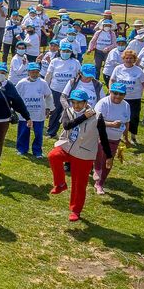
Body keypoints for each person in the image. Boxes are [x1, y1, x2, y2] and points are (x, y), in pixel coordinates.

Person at [48, 89, 112, 222]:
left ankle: (75, 210)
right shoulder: (68, 111)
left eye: (79, 103)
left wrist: (109, 156)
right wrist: (84, 117)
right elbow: (66, 126)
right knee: (53, 156)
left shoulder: (97, 116)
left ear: (86, 103)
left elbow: (103, 136)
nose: (76, 106)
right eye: (74, 102)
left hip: (84, 153)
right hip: (67, 146)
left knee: (79, 184)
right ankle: (60, 184)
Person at [93, 83, 130, 195]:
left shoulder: (126, 105)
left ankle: (99, 184)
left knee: (108, 162)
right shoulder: (103, 103)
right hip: (100, 136)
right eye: (115, 93)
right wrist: (112, 124)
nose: (118, 96)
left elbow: (127, 122)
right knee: (100, 151)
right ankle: (97, 169)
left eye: (121, 94)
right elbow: (95, 121)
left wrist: (126, 138)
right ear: (110, 92)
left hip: (115, 139)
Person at [109, 49, 144, 146]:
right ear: (123, 59)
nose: (128, 60)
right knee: (120, 117)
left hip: (134, 98)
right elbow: (112, 80)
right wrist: (111, 91)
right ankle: (120, 135)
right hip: (120, 98)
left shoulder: (139, 70)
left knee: (133, 117)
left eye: (131, 58)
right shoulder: (118, 68)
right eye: (126, 58)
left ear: (134, 59)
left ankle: (133, 136)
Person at [14, 63, 53, 158]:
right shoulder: (22, 83)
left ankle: (37, 151)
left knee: (38, 133)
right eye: (32, 72)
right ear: (28, 72)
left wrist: (48, 107)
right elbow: (15, 97)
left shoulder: (42, 83)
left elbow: (48, 95)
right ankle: (22, 148)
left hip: (38, 112)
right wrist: (15, 108)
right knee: (23, 131)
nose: (35, 74)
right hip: (25, 113)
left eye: (37, 72)